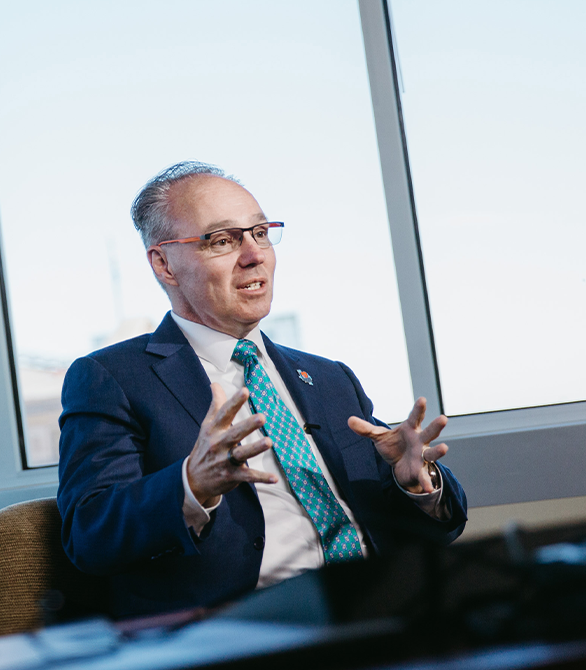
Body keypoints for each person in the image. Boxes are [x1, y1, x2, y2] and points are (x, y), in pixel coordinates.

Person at [56, 162, 467, 619]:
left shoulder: (330, 378)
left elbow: (425, 531)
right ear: (164, 264)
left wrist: (414, 484)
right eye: (223, 240)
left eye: (260, 233)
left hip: (383, 611)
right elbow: (89, 536)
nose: (254, 255)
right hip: (243, 631)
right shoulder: (112, 378)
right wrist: (191, 484)